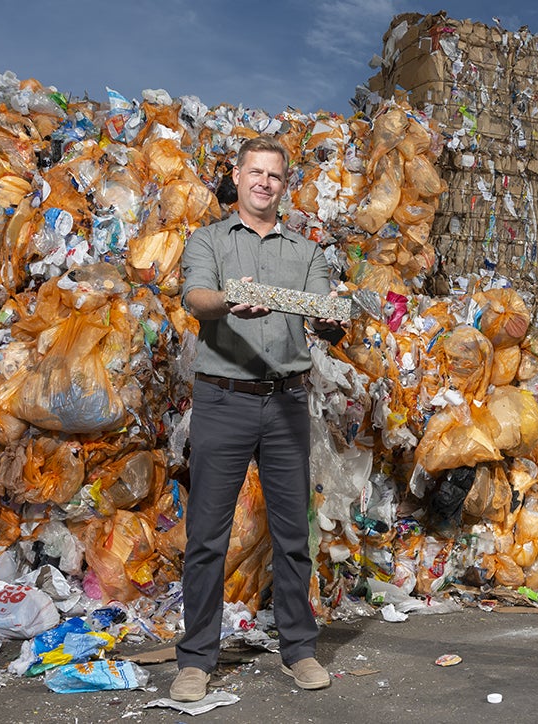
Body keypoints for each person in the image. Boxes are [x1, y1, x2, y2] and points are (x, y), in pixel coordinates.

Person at [171, 135, 340, 701]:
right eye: (255, 172)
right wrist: (227, 300)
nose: (264, 182)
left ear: (283, 185)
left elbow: (322, 311)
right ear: (238, 177)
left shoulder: (307, 252)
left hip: (287, 400)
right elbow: (195, 296)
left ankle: (300, 651)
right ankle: (196, 659)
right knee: (206, 537)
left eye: (274, 175)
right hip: (223, 398)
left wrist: (333, 320)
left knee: (293, 534)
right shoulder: (210, 240)